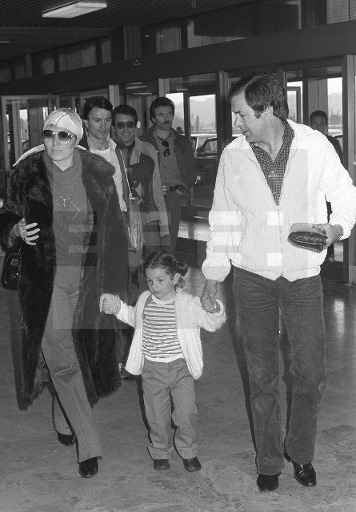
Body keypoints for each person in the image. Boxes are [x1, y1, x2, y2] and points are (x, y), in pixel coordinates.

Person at [200, 71, 356, 492]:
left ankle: (300, 452)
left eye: (241, 114)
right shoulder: (234, 155)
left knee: (311, 373)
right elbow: (224, 218)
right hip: (252, 278)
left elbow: (345, 194)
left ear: (267, 109)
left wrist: (336, 229)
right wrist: (214, 275)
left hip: (302, 275)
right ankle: (268, 459)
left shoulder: (312, 145)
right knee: (262, 374)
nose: (236, 123)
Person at [0, 108, 129, 478]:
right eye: (48, 133)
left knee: (83, 356)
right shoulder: (26, 175)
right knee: (63, 358)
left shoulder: (100, 175)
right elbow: (6, 214)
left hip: (88, 281)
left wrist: (114, 289)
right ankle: (89, 446)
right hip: (47, 281)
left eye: (64, 135)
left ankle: (63, 414)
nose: (54, 142)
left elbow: (115, 235)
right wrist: (14, 230)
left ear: (77, 139)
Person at [99, 251, 226, 472]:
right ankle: (160, 451)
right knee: (156, 416)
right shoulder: (145, 301)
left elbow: (212, 323)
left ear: (175, 279)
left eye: (160, 280)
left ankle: (188, 451)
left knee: (186, 414)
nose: (154, 286)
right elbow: (133, 318)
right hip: (152, 370)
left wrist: (214, 308)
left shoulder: (186, 303)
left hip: (180, 369)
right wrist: (117, 307)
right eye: (150, 280)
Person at [112, 104, 169, 263]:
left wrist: (163, 222)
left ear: (136, 125)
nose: (125, 129)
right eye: (120, 125)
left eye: (130, 124)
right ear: (113, 128)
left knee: (155, 263)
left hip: (148, 214)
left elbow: (156, 185)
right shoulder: (109, 152)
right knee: (129, 266)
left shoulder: (148, 149)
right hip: (120, 216)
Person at [140, 97, 198, 252]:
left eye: (169, 114)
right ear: (153, 118)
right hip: (150, 199)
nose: (166, 118)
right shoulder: (142, 143)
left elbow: (192, 170)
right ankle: (152, 275)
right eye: (161, 114)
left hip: (173, 197)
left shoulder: (182, 142)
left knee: (169, 245)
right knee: (151, 246)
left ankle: (167, 274)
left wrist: (182, 189)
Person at [310, 110, 343, 261]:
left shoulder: (333, 143)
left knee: (326, 222)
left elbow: (339, 167)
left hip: (327, 192)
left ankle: (328, 256)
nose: (317, 127)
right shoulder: (302, 142)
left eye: (321, 124)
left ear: (325, 126)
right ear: (310, 124)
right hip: (308, 191)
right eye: (315, 123)